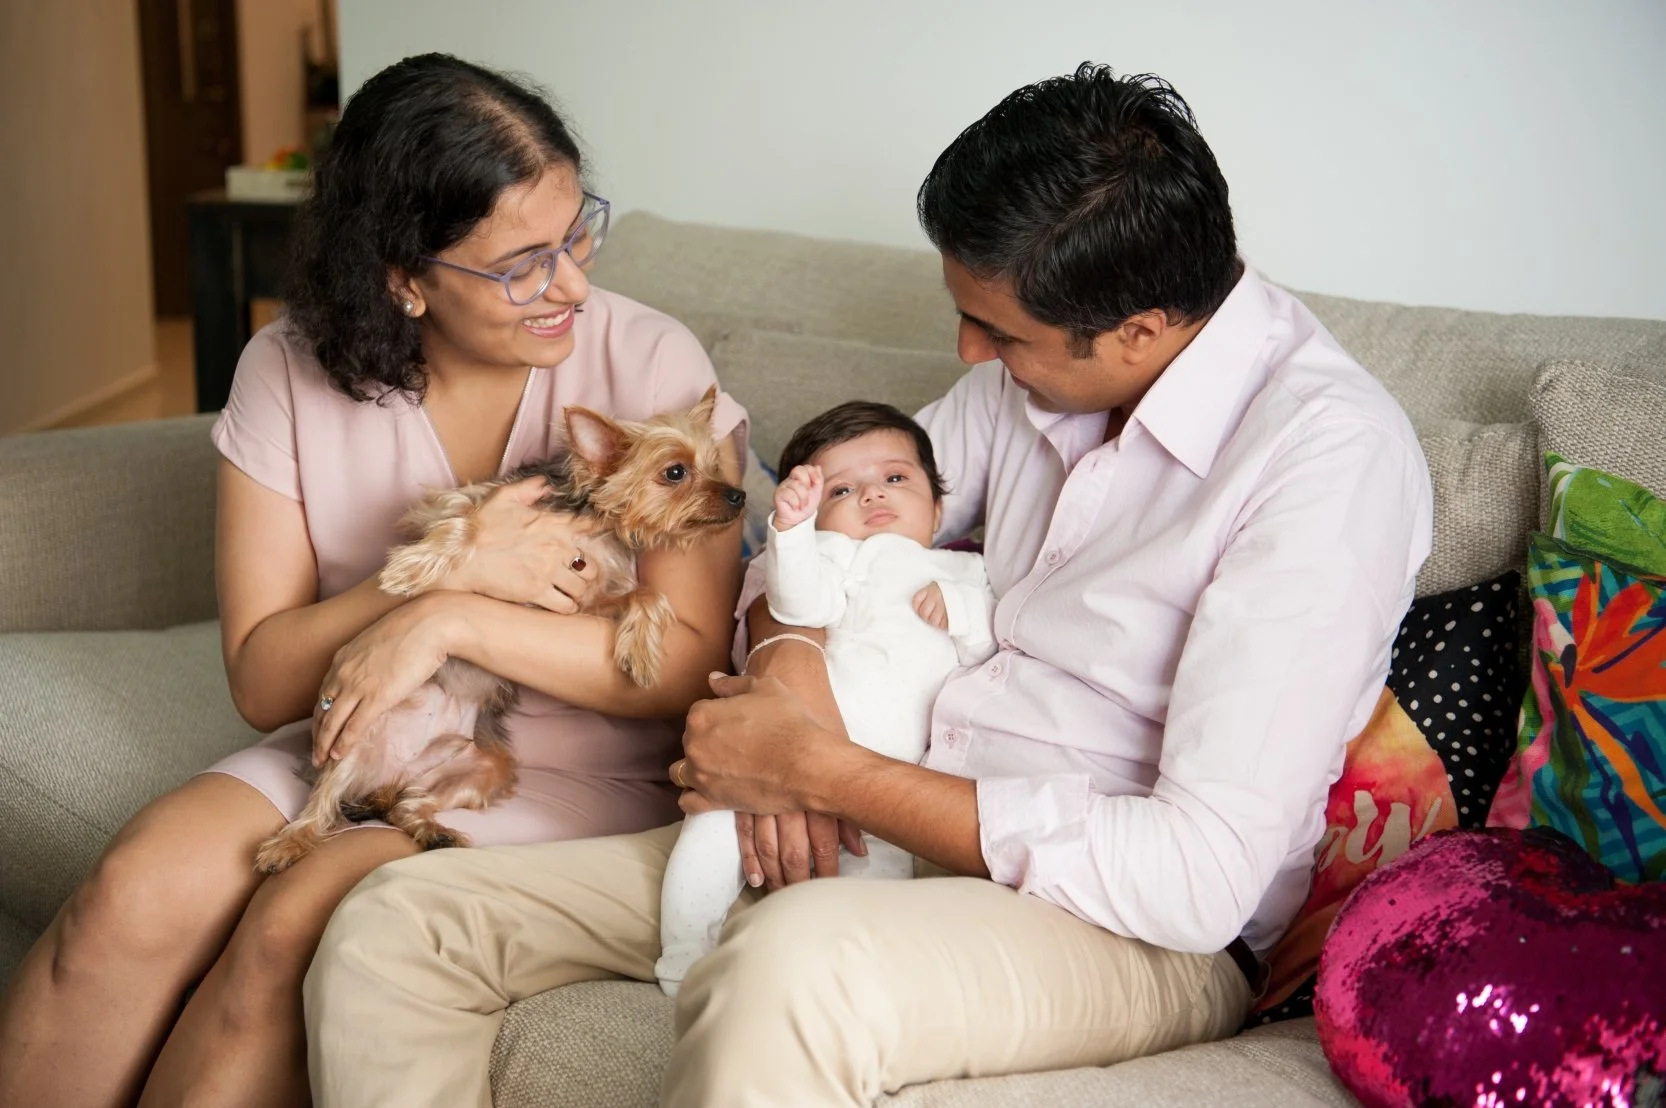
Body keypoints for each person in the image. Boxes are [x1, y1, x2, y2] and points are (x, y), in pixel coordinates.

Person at [304, 63, 1433, 1107]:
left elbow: (1195, 878)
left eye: (996, 332)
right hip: (874, 817)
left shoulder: (1325, 465)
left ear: (1136, 331)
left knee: (788, 968)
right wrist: (792, 678)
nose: (967, 355)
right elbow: (808, 531)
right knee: (397, 923)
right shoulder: (1034, 378)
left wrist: (824, 770)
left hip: (1121, 927)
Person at [0, 54, 746, 1108]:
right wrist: (429, 586)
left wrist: (448, 618)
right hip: (367, 730)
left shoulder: (651, 365)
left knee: (288, 926)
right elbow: (263, 679)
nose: (573, 285)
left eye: (577, 233)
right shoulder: (286, 369)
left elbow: (680, 661)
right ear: (404, 275)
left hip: (580, 771)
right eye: (523, 264)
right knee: (126, 896)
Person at [655, 402, 995, 995]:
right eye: (841, 490)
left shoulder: (966, 572)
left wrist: (963, 610)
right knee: (709, 837)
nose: (872, 494)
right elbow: (796, 605)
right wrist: (790, 533)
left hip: (888, 784)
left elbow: (989, 644)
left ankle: (848, 982)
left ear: (939, 508)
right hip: (769, 754)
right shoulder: (832, 558)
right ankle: (683, 954)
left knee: (874, 883)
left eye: (895, 477)